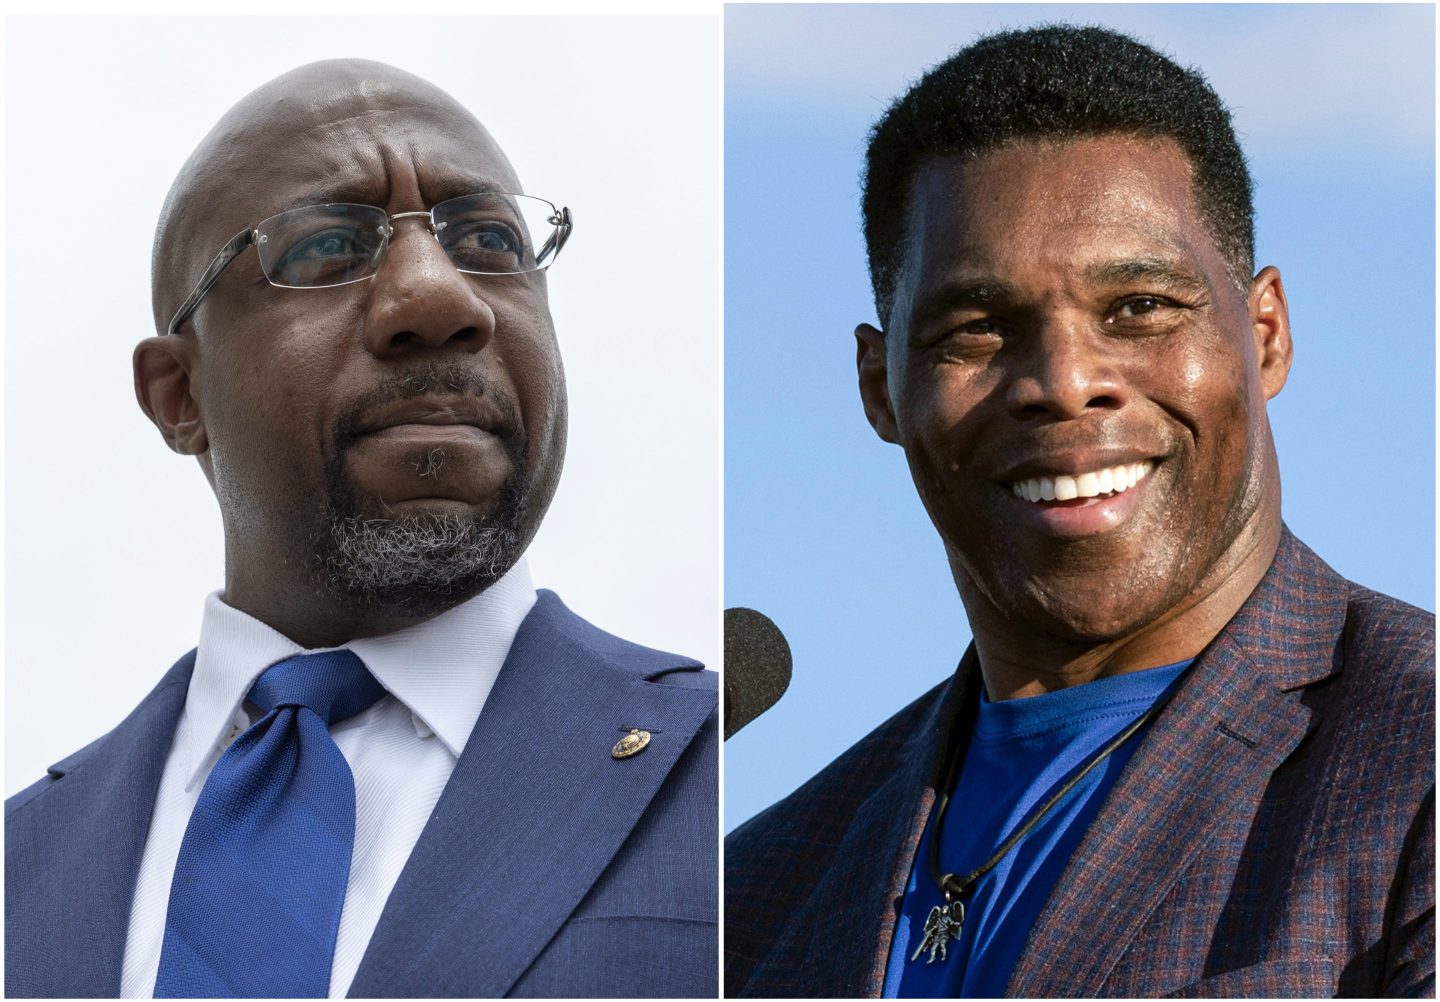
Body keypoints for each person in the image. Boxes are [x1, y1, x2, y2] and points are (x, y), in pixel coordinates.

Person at [725, 25, 1433, 999]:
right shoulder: (753, 889)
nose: (1064, 384)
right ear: (880, 388)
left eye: (1140, 306)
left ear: (1264, 335)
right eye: (977, 328)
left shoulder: (1415, 765)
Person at [6, 59, 717, 1000]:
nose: (439, 299)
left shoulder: (716, 772)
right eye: (326, 249)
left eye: (488, 240)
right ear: (180, 396)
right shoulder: (24, 870)